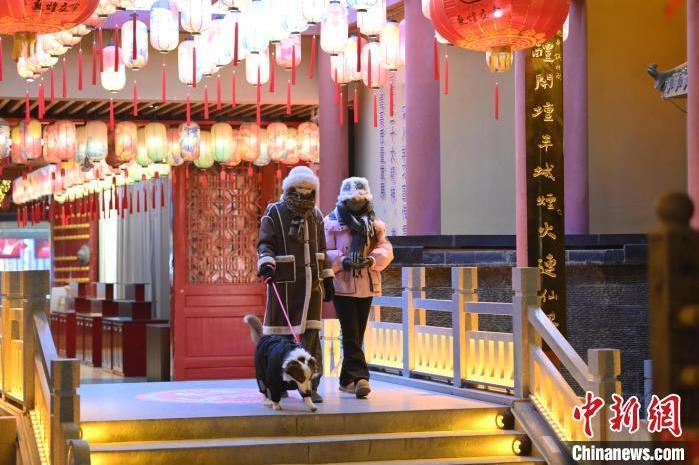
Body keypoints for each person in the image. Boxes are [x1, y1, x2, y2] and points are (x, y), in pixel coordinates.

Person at [257, 166, 335, 403]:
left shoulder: (317, 215)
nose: (304, 193)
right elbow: (265, 243)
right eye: (299, 188)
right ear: (289, 188)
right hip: (284, 284)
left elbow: (322, 249)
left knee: (311, 337)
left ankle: (310, 386)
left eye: (308, 189)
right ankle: (276, 383)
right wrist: (267, 264)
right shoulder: (274, 212)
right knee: (280, 337)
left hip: (312, 287)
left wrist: (328, 277)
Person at [324, 177, 393, 398]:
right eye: (352, 200)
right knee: (350, 332)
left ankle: (346, 380)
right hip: (342, 284)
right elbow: (324, 252)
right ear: (344, 200)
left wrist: (371, 260)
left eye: (360, 199)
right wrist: (343, 261)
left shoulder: (374, 223)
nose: (356, 203)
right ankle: (361, 377)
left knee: (357, 332)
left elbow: (385, 248)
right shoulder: (331, 222)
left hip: (366, 282)